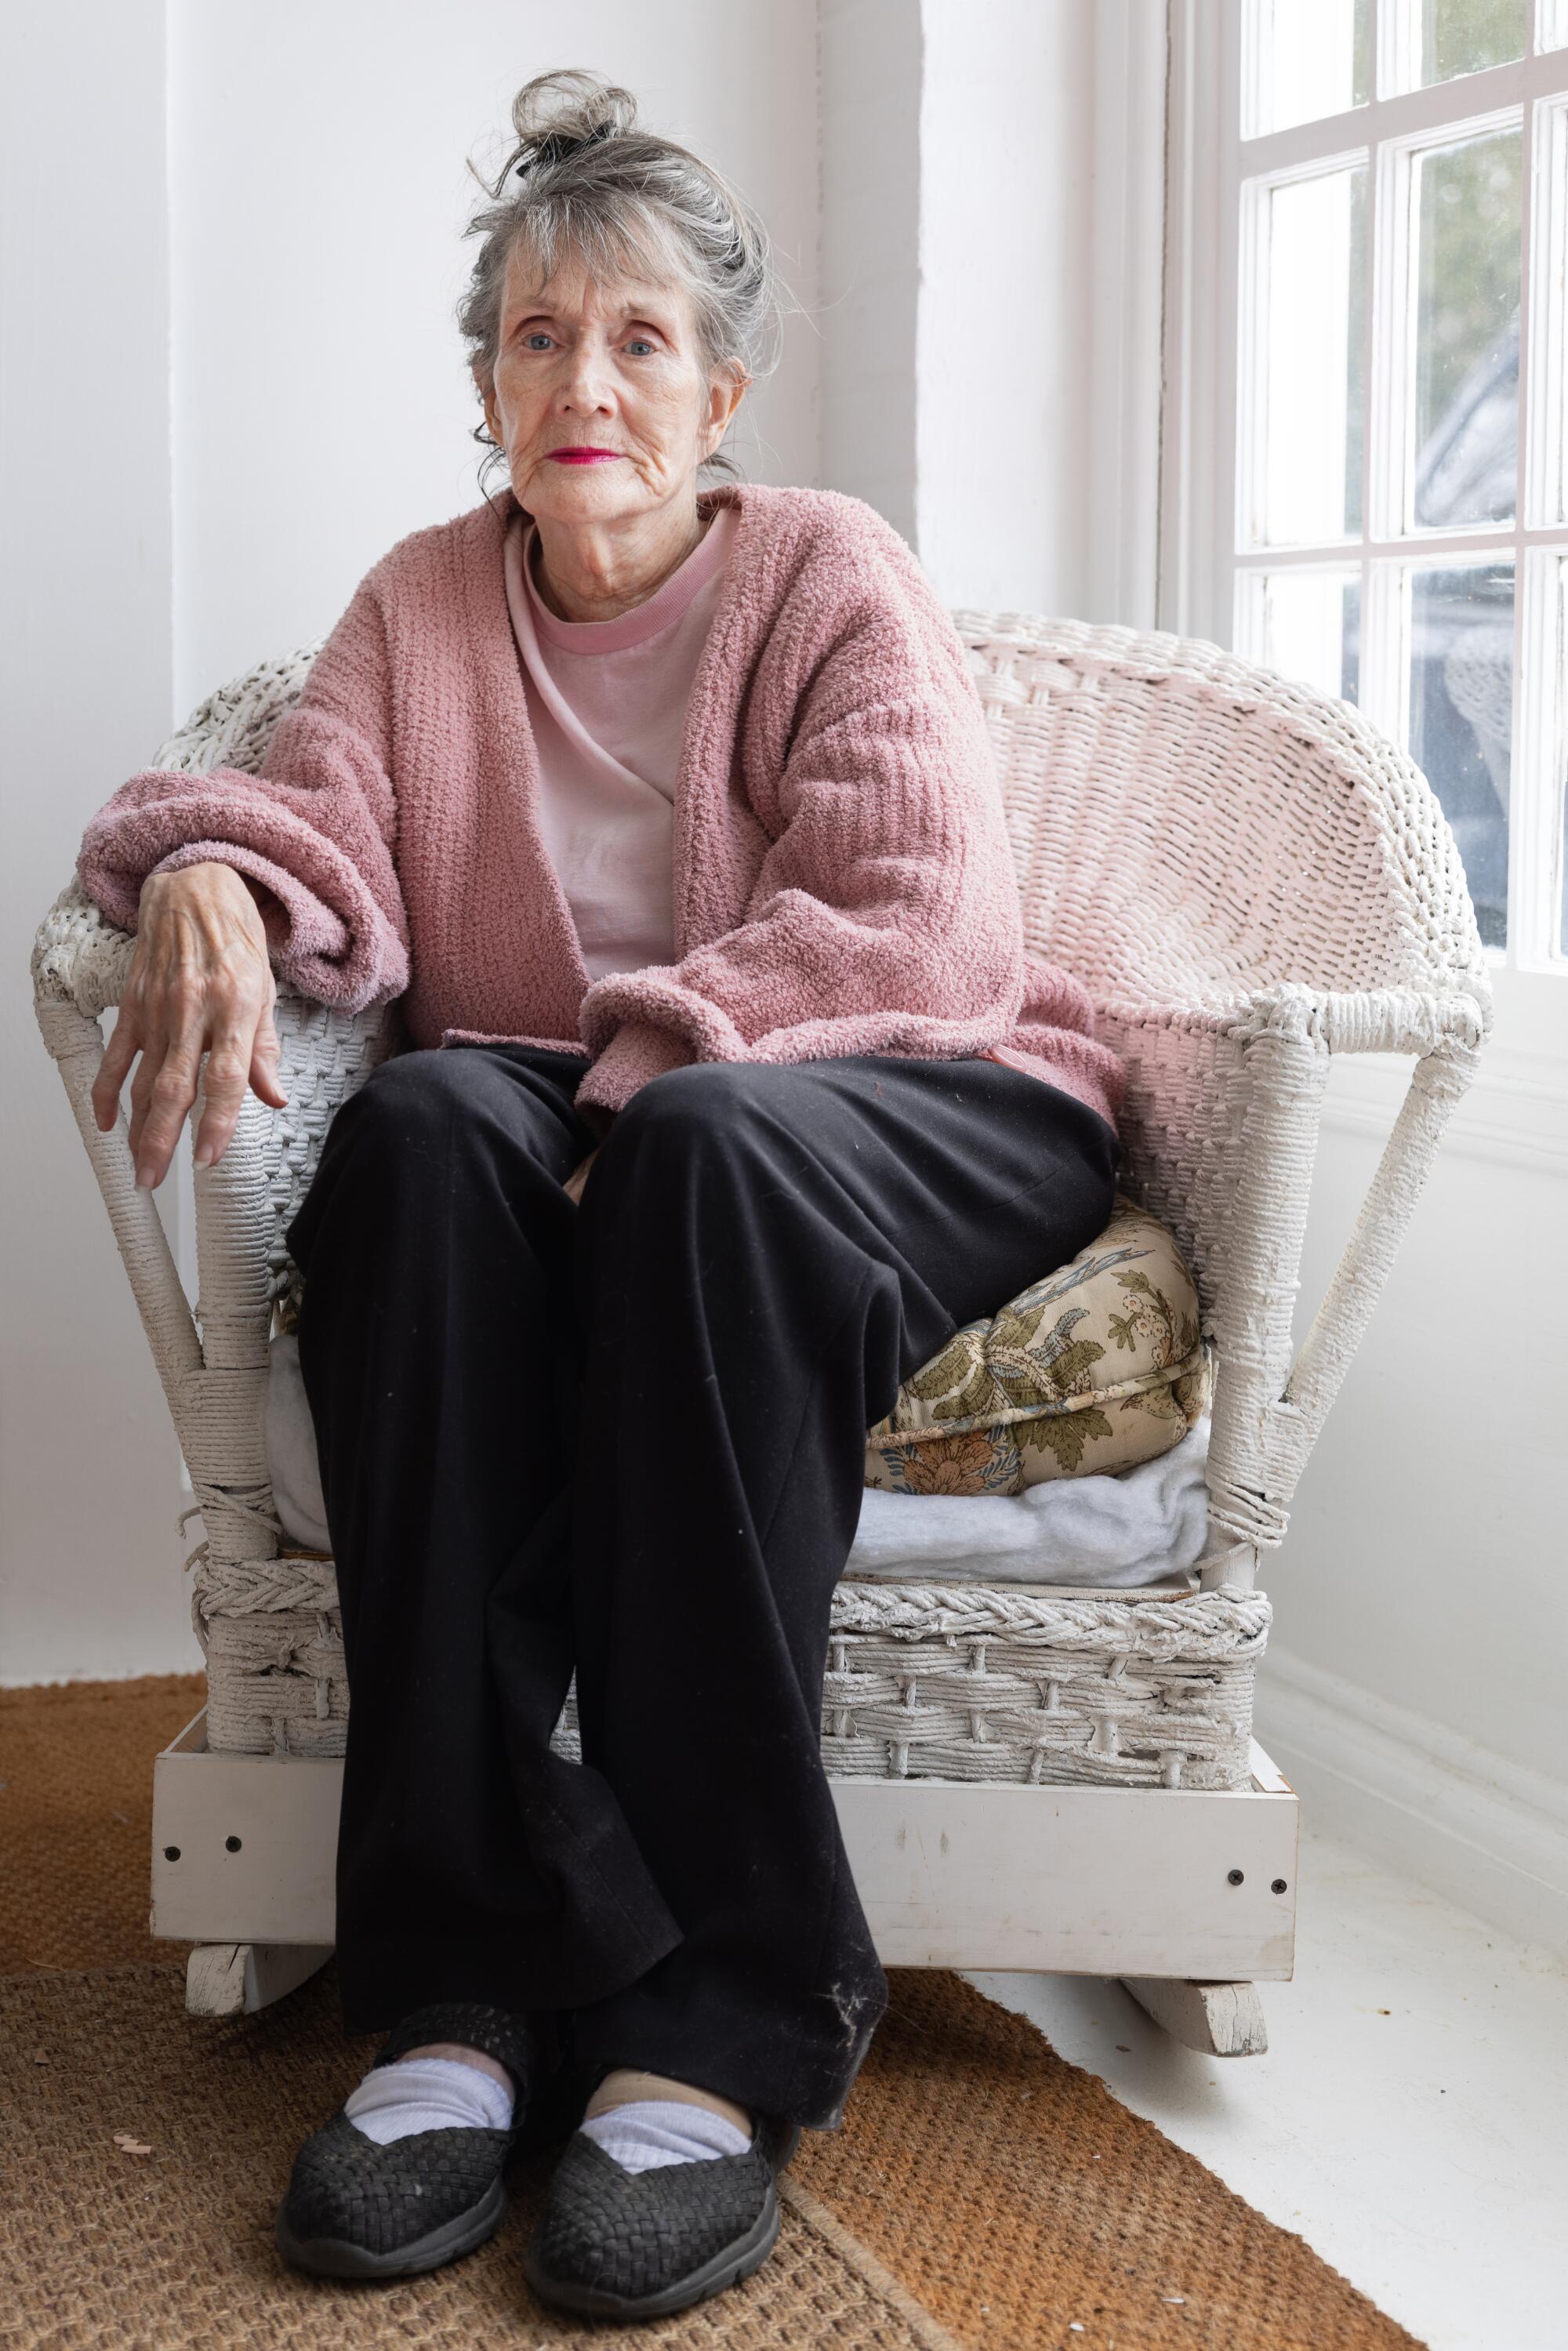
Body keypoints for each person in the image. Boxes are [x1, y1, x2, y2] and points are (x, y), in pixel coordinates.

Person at [78, 67, 1125, 2325]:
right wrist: (215, 884)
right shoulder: (423, 607)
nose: (589, 382)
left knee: (694, 1144)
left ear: (720, 386)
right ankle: (460, 1981)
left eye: (640, 338)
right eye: (540, 339)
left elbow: (920, 921)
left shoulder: (832, 570)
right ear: (483, 389)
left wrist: (639, 1067)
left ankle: (727, 2020)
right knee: (434, 1133)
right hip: (606, 1132)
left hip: (912, 1097)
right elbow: (314, 825)